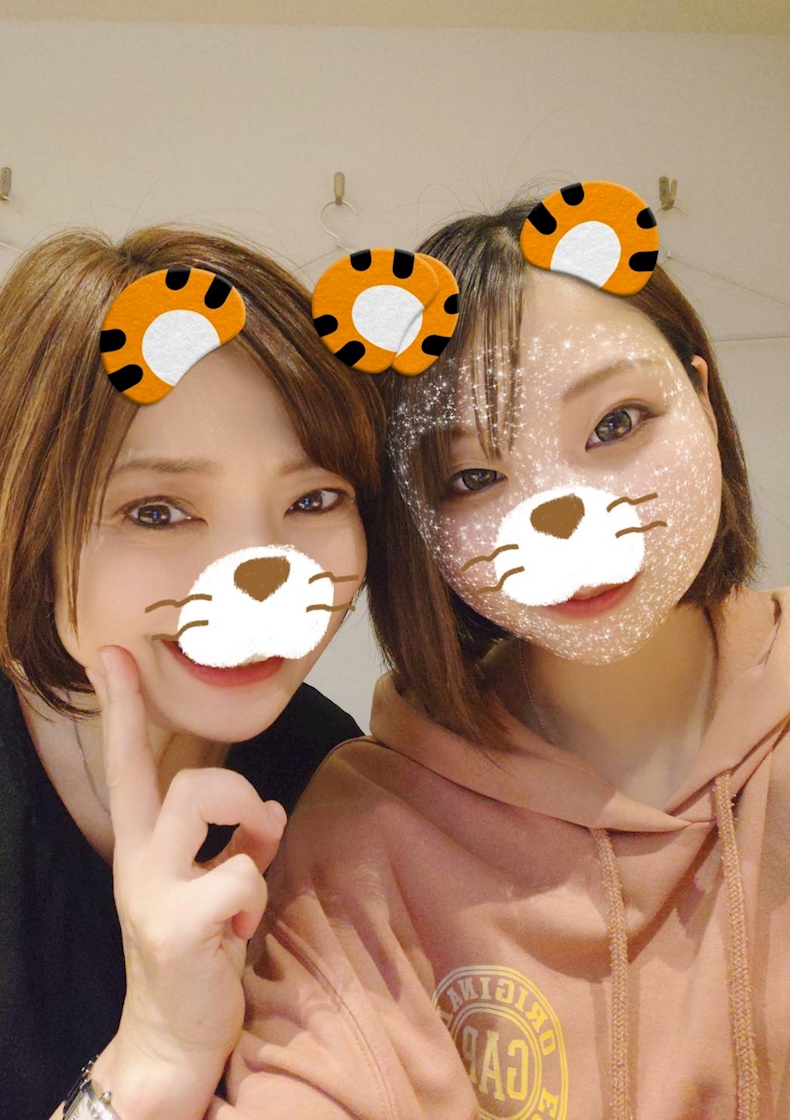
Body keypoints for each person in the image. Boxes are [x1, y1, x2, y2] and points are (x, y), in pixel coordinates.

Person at [206, 199, 785, 1119]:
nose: (561, 515)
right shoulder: (365, 832)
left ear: (703, 401)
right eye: (474, 477)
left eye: (617, 422)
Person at [0, 224, 383, 1120]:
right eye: (157, 511)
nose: (261, 575)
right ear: (31, 528)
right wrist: (156, 1052)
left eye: (313, 499)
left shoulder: (333, 776)